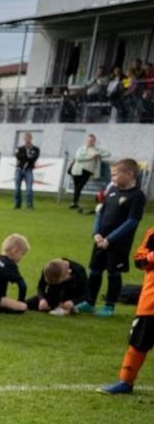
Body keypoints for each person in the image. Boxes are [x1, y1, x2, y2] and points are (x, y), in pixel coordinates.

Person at [80, 159, 147, 317]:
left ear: (129, 174)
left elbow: (131, 222)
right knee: (95, 271)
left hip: (118, 244)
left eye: (116, 175)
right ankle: (90, 302)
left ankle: (109, 306)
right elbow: (100, 213)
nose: (113, 178)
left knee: (113, 273)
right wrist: (96, 233)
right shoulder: (111, 191)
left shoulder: (137, 196)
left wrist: (109, 240)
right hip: (100, 240)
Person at [98, 227, 154, 395]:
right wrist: (151, 257)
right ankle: (125, 382)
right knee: (137, 344)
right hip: (151, 303)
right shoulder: (152, 233)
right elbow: (138, 260)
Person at [69, 134, 104, 211]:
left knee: (79, 186)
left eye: (92, 140)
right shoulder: (81, 148)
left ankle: (74, 202)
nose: (90, 142)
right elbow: (78, 157)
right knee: (76, 187)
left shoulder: (97, 150)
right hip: (77, 169)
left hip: (87, 170)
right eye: (88, 140)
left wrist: (98, 155)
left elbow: (107, 154)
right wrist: (90, 157)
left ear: (94, 141)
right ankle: (75, 202)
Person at [13, 132, 41, 209]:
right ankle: (17, 204)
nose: (27, 140)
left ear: (31, 139)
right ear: (24, 139)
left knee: (29, 188)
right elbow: (18, 156)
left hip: (29, 170)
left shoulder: (36, 149)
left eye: (29, 138)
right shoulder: (20, 148)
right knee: (17, 188)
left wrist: (26, 157)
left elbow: (34, 158)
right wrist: (28, 157)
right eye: (26, 138)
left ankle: (29, 205)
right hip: (19, 170)